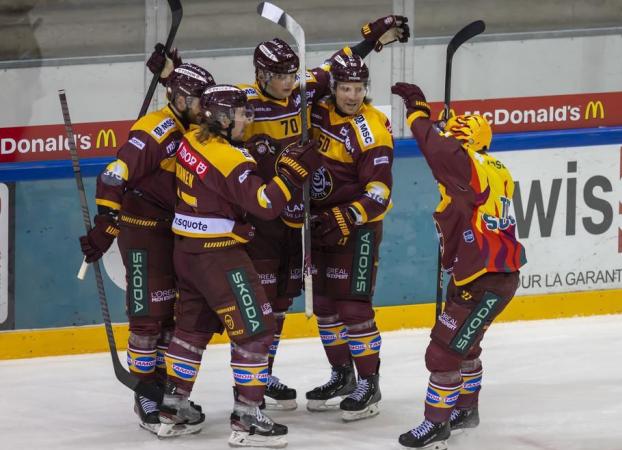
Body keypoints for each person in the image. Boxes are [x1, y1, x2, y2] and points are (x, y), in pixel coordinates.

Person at [146, 14, 410, 411]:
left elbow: (338, 68)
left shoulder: (305, 92)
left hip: (298, 220)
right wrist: (172, 77)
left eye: (292, 74)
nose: (290, 82)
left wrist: (372, 41)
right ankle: (260, 375)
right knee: (264, 299)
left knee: (285, 300)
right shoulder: (241, 103)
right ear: (260, 74)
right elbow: (203, 104)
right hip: (260, 217)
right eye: (280, 76)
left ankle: (279, 376)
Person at [157, 84, 321, 448]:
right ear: (221, 117)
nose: (249, 118)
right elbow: (265, 204)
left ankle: (173, 406)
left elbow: (213, 190)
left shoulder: (191, 141)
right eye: (243, 113)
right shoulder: (231, 159)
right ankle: (247, 416)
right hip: (219, 256)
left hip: (187, 252)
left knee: (191, 331)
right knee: (257, 331)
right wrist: (291, 175)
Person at [78, 62, 215, 433]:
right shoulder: (157, 129)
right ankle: (145, 394)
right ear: (180, 98)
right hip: (142, 232)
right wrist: (106, 223)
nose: (206, 106)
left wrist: (174, 64)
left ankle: (165, 388)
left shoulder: (195, 125)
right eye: (199, 99)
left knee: (173, 315)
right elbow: (114, 173)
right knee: (148, 315)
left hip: (175, 231)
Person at [391, 82, 527, 449]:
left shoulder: (469, 167)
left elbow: (437, 149)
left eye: (456, 137)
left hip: (485, 278)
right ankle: (465, 410)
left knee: (442, 352)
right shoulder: (495, 168)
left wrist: (419, 112)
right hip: (484, 273)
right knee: (466, 346)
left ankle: (436, 425)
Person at [304, 53, 394, 422]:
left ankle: (369, 383)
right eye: (345, 88)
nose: (353, 95)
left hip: (357, 231)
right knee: (325, 306)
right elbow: (303, 83)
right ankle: (342, 376)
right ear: (334, 88)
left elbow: (379, 193)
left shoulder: (372, 129)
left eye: (358, 88)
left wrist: (346, 215)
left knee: (353, 308)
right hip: (319, 227)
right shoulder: (317, 112)